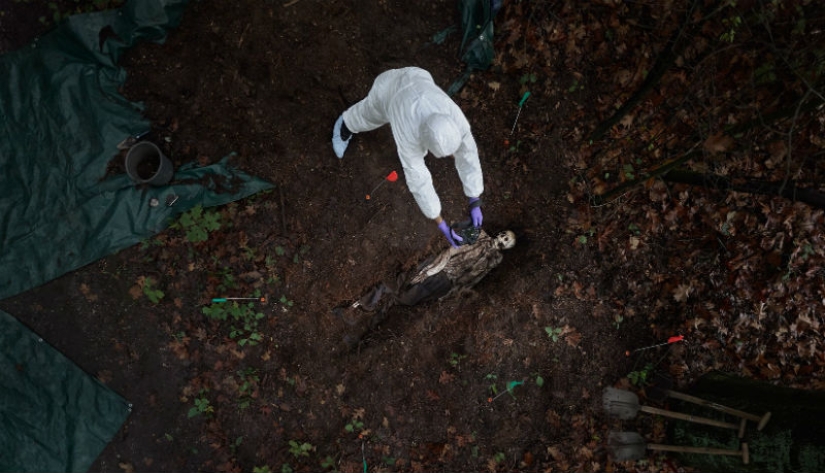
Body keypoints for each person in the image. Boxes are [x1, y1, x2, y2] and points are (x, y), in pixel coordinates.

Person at [332, 67, 484, 248]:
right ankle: (346, 123)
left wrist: (475, 198)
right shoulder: (408, 132)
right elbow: (418, 178)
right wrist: (440, 222)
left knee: (463, 151)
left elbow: (468, 152)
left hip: (417, 76)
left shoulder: (452, 115)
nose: (453, 156)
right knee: (370, 114)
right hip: (388, 90)